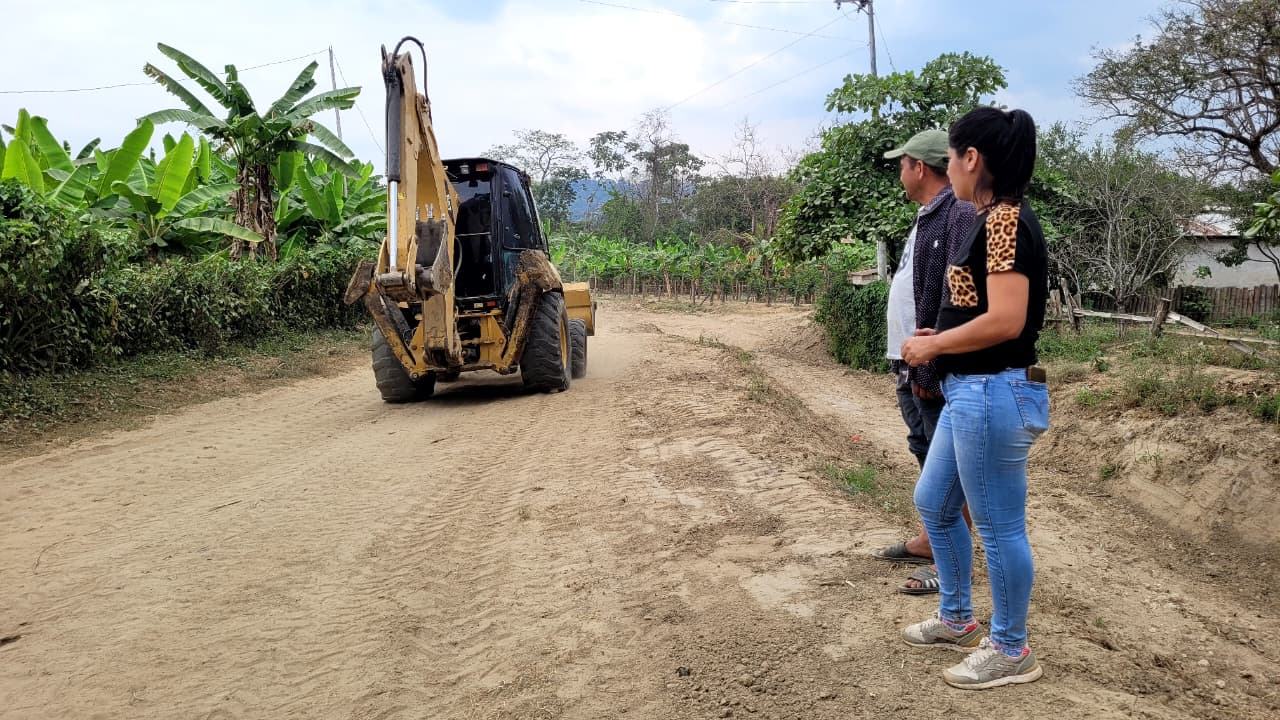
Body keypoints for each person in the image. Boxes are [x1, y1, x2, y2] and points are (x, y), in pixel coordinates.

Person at [898, 107, 1050, 690]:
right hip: (972, 389)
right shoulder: (988, 219)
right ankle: (958, 618)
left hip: (994, 390)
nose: (948, 167)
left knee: (999, 525)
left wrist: (934, 345)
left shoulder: (1006, 221)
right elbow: (980, 310)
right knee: (935, 502)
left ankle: (1011, 650)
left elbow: (1008, 320)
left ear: (971, 158)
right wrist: (943, 335)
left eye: (952, 156)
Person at [870, 129, 975, 596]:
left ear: (919, 167)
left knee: (945, 464)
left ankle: (951, 557)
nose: (900, 171)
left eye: (902, 163)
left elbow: (955, 296)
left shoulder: (956, 213)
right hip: (910, 356)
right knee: (925, 450)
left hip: (930, 359)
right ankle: (934, 538)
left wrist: (933, 362)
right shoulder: (929, 214)